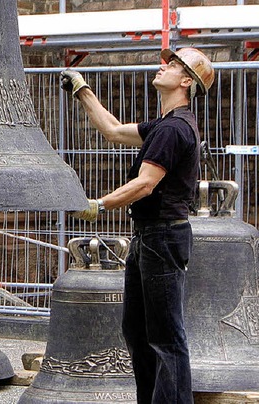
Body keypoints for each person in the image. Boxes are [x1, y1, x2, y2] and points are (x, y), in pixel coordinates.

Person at [60, 47, 214, 404]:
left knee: (165, 338)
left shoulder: (174, 129)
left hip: (162, 236)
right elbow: (112, 130)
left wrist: (99, 205)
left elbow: (145, 184)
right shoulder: (164, 126)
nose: (164, 67)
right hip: (149, 236)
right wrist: (83, 89)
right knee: (139, 331)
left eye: (173, 65)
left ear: (186, 81)